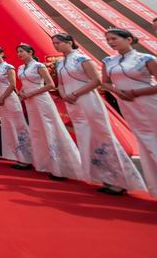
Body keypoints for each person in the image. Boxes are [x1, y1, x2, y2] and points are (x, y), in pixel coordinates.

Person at [52, 33, 145, 195]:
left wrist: (75, 94)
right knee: (86, 139)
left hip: (88, 100)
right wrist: (65, 94)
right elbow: (60, 83)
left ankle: (120, 180)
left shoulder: (82, 59)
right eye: (54, 43)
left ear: (69, 42)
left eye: (58, 42)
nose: (56, 45)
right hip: (72, 104)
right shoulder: (60, 63)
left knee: (102, 137)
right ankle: (104, 177)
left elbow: (96, 81)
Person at [101, 28, 157, 197]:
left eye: (114, 38)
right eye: (108, 39)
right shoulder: (108, 61)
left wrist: (135, 92)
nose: (111, 42)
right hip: (127, 104)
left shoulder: (146, 59)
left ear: (129, 40)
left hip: (148, 102)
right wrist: (117, 92)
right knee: (144, 143)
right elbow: (105, 83)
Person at [16, 43, 83, 181]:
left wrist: (32, 93)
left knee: (50, 128)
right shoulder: (21, 68)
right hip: (29, 101)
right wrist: (22, 92)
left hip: (41, 100)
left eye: (22, 51)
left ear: (30, 52)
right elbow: (25, 84)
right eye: (18, 52)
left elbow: (51, 84)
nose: (19, 54)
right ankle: (45, 163)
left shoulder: (39, 66)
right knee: (37, 129)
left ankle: (62, 167)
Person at [0, 45, 33, 170]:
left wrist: (2, 97)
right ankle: (18, 157)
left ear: (2, 54)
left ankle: (28, 159)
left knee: (19, 127)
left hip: (10, 100)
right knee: (9, 128)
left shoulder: (9, 67)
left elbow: (12, 85)